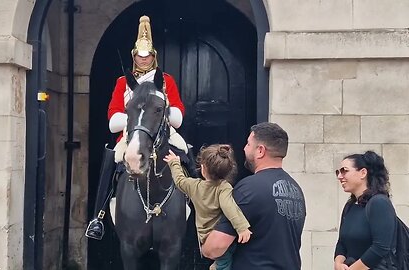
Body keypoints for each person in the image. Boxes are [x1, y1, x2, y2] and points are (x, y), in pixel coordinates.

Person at [85, 15, 188, 240]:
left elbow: (178, 112)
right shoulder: (123, 82)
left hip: (162, 132)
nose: (144, 60)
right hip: (130, 135)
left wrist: (157, 116)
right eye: (140, 56)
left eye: (148, 55)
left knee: (185, 152)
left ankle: (197, 208)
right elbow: (113, 117)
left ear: (154, 56)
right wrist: (136, 120)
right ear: (134, 56)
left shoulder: (165, 80)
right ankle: (98, 216)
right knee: (112, 159)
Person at [201, 122, 306, 270]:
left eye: (248, 144)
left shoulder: (249, 188)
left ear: (260, 150)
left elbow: (215, 248)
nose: (244, 148)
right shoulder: (296, 190)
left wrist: (205, 246)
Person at [163, 145, 252, 270]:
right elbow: (229, 206)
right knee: (225, 260)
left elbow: (179, 180)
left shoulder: (194, 186)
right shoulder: (223, 187)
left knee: (223, 258)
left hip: (204, 237)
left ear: (203, 169)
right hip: (220, 237)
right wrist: (242, 227)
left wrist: (174, 163)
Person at [334, 151, 397, 270]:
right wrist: (338, 263)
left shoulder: (379, 203)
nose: (339, 176)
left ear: (363, 173)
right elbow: (342, 242)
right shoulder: (350, 206)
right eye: (338, 172)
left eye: (344, 171)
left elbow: (380, 248)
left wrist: (353, 269)